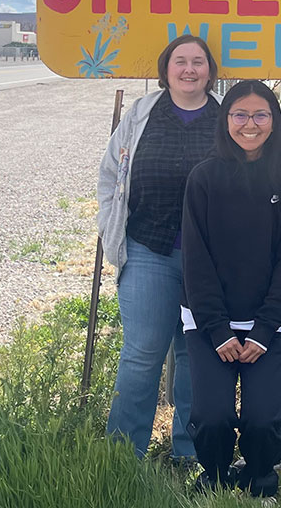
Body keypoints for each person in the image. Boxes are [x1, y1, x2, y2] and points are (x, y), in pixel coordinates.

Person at [180, 80, 281, 498]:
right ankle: (215, 474)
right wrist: (218, 330)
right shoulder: (203, 178)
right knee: (212, 415)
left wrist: (264, 329)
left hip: (269, 322)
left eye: (260, 115)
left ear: (274, 121)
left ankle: (260, 474)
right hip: (209, 321)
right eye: (240, 114)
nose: (249, 124)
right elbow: (195, 262)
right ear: (226, 120)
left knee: (263, 418)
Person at [97, 34, 219, 461]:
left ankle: (191, 452)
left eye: (198, 61)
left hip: (209, 259)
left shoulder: (226, 117)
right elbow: (110, 175)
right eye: (180, 61)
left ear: (210, 71)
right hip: (148, 249)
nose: (189, 69)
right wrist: (109, 226)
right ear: (166, 68)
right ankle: (122, 456)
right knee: (143, 352)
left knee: (196, 355)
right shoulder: (141, 115)